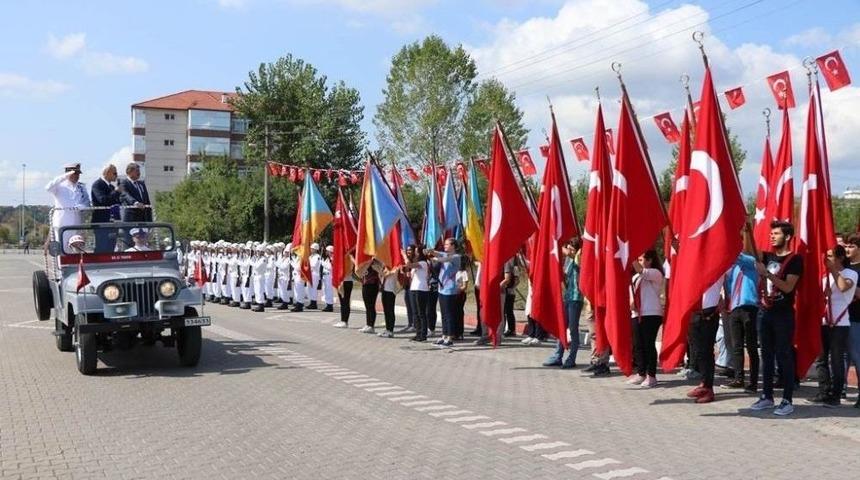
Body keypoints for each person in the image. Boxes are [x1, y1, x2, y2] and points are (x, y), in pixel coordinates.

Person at [750, 221, 803, 416]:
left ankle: (787, 399)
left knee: (784, 355)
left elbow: (788, 287)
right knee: (766, 355)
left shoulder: (795, 260)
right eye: (771, 233)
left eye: (777, 233)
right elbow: (749, 249)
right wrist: (747, 226)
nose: (772, 236)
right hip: (764, 311)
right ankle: (767, 396)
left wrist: (768, 276)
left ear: (787, 237)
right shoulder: (766, 256)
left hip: (783, 313)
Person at [812, 245, 857, 407]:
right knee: (821, 359)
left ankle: (836, 395)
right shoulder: (825, 276)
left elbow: (844, 286)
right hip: (824, 320)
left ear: (840, 258)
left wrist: (832, 270)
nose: (827, 259)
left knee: (837, 360)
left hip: (840, 322)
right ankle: (824, 391)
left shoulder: (850, 273)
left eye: (830, 256)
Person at [722, 246, 760, 393]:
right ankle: (739, 378)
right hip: (735, 308)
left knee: (751, 346)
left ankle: (754, 381)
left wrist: (730, 243)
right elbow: (728, 285)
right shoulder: (732, 268)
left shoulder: (750, 262)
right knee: (736, 345)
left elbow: (739, 256)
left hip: (749, 307)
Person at [543, 238, 584, 370]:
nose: (570, 251)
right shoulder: (568, 260)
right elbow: (565, 275)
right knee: (562, 326)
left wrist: (558, 244)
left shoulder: (580, 257)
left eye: (573, 249)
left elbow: (575, 257)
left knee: (573, 329)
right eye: (569, 248)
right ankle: (557, 355)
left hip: (576, 298)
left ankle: (572, 357)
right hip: (567, 296)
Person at [626, 250, 665, 388]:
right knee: (638, 344)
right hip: (637, 313)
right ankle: (641, 373)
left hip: (651, 313)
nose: (639, 262)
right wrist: (631, 303)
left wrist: (629, 255)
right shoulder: (635, 276)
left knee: (648, 344)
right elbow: (632, 292)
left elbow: (642, 271)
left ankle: (652, 375)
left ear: (650, 260)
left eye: (641, 259)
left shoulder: (655, 273)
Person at [46, 163, 91, 246]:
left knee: (76, 251)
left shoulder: (81, 187)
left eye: (78, 174)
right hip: (62, 224)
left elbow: (87, 202)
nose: (77, 176)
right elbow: (48, 187)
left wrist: (81, 206)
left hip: (76, 224)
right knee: (62, 251)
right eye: (75, 173)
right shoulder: (59, 186)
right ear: (68, 173)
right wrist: (64, 176)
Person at [429, 238, 463, 347]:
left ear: (453, 246)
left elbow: (445, 259)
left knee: (449, 314)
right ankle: (444, 335)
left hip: (450, 289)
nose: (445, 246)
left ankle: (450, 337)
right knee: (443, 314)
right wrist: (429, 251)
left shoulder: (456, 257)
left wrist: (436, 259)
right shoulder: (444, 254)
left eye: (447, 244)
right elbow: (437, 253)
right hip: (441, 288)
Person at [845, 234, 860, 409]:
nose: (848, 249)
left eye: (852, 246)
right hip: (840, 317)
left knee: (857, 357)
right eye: (847, 246)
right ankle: (838, 389)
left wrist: (850, 285)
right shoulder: (845, 267)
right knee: (841, 357)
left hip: (856, 318)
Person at [358, 260, 382, 334]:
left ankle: (371, 326)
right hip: (365, 283)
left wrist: (371, 262)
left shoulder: (376, 261)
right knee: (367, 306)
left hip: (373, 283)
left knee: (371, 305)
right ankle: (368, 324)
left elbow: (380, 270)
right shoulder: (365, 260)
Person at [378, 265, 399, 338]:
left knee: (390, 311)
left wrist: (384, 272)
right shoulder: (385, 266)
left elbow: (387, 274)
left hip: (391, 290)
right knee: (386, 311)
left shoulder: (395, 266)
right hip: (384, 290)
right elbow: (380, 274)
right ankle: (387, 329)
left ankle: (391, 330)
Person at [321, 246, 335, 312]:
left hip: (329, 276)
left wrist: (322, 263)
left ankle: (330, 305)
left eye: (327, 251)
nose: (326, 252)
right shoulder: (327, 258)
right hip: (325, 276)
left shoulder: (333, 258)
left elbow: (330, 267)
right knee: (325, 290)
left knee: (329, 291)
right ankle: (327, 304)